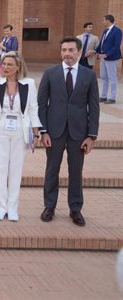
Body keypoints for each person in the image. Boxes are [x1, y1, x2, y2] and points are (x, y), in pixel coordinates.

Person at [38, 36, 99, 226]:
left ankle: (75, 209)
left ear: (79, 52)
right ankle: (49, 206)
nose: (67, 54)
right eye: (64, 50)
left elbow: (94, 106)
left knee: (76, 171)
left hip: (78, 133)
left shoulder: (89, 75)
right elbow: (41, 104)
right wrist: (44, 131)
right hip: (54, 132)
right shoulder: (50, 73)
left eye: (71, 50)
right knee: (51, 170)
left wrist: (92, 136)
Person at [0, 52, 42, 221]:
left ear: (18, 67)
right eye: (3, 64)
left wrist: (36, 133)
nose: (5, 68)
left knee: (16, 169)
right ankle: (0, 207)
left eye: (9, 64)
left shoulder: (29, 84)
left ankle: (13, 207)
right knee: (0, 168)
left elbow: (33, 109)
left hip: (20, 129)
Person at [95, 14, 122, 104]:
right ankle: (103, 96)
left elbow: (116, 46)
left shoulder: (117, 31)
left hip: (111, 58)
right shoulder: (105, 30)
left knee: (112, 78)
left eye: (103, 20)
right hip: (103, 57)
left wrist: (107, 54)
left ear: (108, 21)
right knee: (103, 77)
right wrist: (95, 51)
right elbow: (101, 43)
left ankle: (112, 98)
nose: (102, 22)